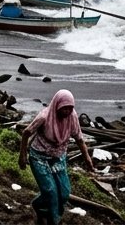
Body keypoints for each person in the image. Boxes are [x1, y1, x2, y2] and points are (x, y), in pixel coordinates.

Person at [19, 89, 95, 225]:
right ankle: (53, 219)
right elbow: (26, 132)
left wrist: (87, 158)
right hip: (39, 157)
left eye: (70, 108)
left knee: (64, 193)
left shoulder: (72, 117)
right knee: (50, 191)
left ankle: (39, 207)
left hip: (58, 158)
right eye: (64, 108)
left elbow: (79, 139)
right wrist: (23, 155)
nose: (67, 111)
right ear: (57, 105)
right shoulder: (44, 116)